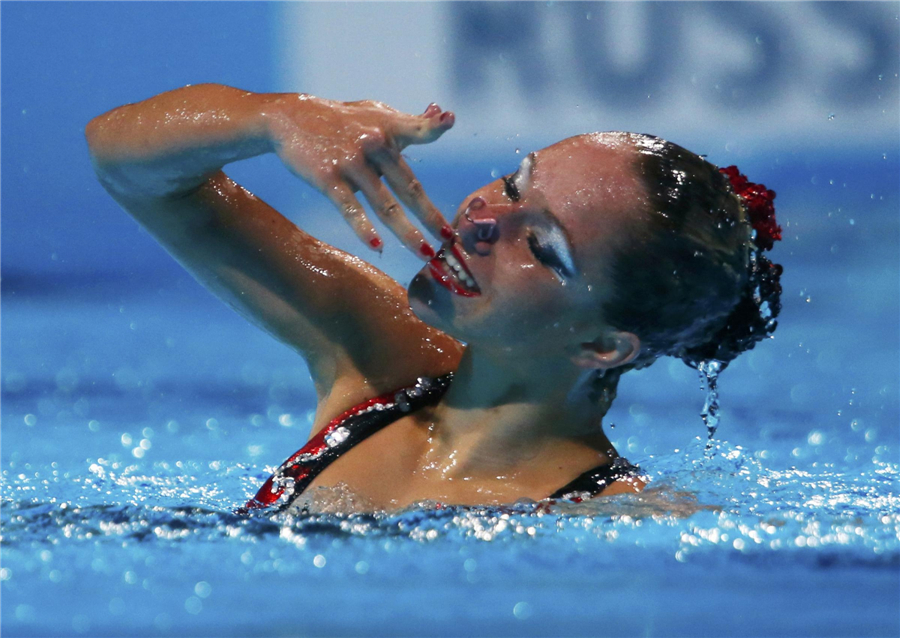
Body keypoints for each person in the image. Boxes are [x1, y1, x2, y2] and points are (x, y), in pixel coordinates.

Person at [85, 84, 782, 512]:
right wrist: (272, 118)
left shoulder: (612, 516)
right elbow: (128, 167)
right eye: (514, 184)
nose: (481, 219)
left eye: (541, 246)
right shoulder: (382, 363)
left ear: (600, 346)